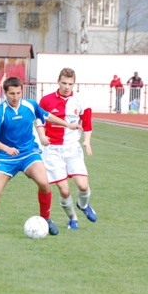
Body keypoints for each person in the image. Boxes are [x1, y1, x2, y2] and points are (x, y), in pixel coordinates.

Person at [0, 76, 82, 235]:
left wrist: (68, 124)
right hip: (7, 158)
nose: (15, 97)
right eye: (12, 93)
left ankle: (46, 219)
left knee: (45, 184)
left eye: (18, 93)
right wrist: (7, 149)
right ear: (5, 93)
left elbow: (46, 116)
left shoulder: (30, 105)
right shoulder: (0, 112)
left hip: (29, 154)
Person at [36, 68, 96, 230]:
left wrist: (87, 141)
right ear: (58, 81)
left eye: (70, 84)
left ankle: (83, 206)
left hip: (72, 149)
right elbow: (39, 120)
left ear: (74, 84)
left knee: (83, 186)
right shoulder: (46, 100)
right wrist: (42, 136)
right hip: (53, 150)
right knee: (64, 190)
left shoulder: (81, 101)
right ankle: (73, 219)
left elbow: (88, 124)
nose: (67, 87)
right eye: (64, 83)